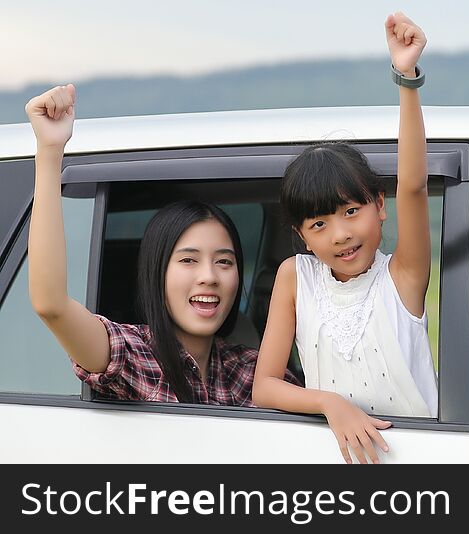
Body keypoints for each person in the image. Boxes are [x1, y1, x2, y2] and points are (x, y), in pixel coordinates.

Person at [26, 84, 297, 405]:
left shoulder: (249, 371)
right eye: (188, 260)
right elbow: (52, 305)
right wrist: (49, 152)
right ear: (157, 273)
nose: (209, 276)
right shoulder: (134, 356)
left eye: (224, 261)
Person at [254, 12, 438, 464]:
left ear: (380, 205)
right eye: (318, 225)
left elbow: (413, 185)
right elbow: (265, 387)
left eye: (350, 211)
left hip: (424, 457)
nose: (340, 234)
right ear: (301, 236)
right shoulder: (296, 277)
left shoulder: (402, 275)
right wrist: (331, 404)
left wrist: (407, 78)